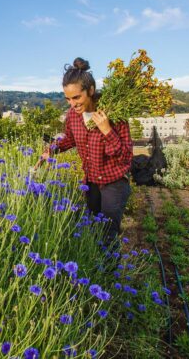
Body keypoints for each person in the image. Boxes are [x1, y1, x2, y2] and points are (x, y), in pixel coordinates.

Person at [42, 57, 133, 246]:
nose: (72, 104)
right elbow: (70, 139)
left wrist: (107, 130)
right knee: (92, 230)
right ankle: (97, 273)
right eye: (68, 98)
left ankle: (110, 274)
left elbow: (125, 156)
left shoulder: (114, 114)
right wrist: (51, 150)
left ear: (90, 91)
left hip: (113, 184)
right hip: (90, 183)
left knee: (107, 235)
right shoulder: (72, 116)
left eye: (76, 97)